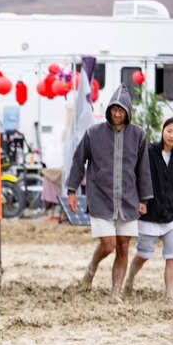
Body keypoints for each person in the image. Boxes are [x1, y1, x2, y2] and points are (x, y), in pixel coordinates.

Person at [66, 84, 153, 303]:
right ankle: (92, 268)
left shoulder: (138, 135)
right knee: (109, 243)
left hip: (128, 199)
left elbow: (143, 168)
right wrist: (71, 190)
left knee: (123, 245)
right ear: (108, 110)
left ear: (128, 112)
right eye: (114, 109)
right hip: (101, 197)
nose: (117, 113)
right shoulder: (93, 133)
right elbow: (78, 161)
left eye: (121, 110)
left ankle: (115, 293)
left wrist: (143, 199)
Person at [124, 118, 173, 300]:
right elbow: (138, 176)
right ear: (162, 130)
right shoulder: (149, 151)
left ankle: (169, 295)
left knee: (172, 256)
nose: (171, 135)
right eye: (169, 130)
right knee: (143, 254)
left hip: (172, 216)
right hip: (149, 214)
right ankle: (129, 280)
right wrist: (139, 200)